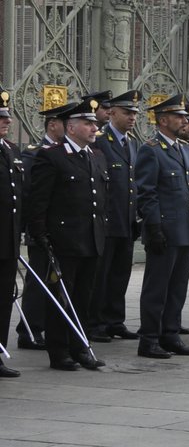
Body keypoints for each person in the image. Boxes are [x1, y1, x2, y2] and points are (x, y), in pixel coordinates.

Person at [24, 96, 109, 372]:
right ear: (70, 128)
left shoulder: (96, 156)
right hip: (63, 241)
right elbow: (39, 201)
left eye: (94, 123)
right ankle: (59, 351)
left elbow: (99, 199)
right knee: (62, 296)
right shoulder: (52, 156)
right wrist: (41, 235)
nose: (94, 128)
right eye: (87, 123)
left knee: (84, 297)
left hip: (91, 238)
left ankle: (80, 346)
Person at [135, 96, 189, 359]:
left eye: (185, 116)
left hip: (185, 229)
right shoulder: (151, 150)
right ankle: (149, 338)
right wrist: (154, 228)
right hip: (165, 231)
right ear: (163, 120)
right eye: (179, 116)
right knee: (157, 288)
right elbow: (147, 193)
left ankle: (170, 334)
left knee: (177, 287)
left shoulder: (184, 149)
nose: (185, 120)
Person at [88, 90, 142, 342]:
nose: (132, 117)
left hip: (126, 219)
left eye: (134, 113)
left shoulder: (131, 142)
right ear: (112, 113)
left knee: (121, 273)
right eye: (127, 112)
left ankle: (115, 320)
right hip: (106, 220)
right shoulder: (100, 140)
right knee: (101, 274)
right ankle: (95, 322)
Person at [16, 103, 69, 350]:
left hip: (63, 229)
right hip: (42, 228)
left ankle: (50, 327)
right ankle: (29, 330)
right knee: (38, 282)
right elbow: (30, 192)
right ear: (52, 124)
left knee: (56, 281)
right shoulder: (34, 152)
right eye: (64, 123)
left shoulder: (67, 152)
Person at [0, 87, 21, 376]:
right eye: (0, 117)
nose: (6, 122)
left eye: (6, 117)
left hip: (8, 239)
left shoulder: (11, 150)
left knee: (4, 298)